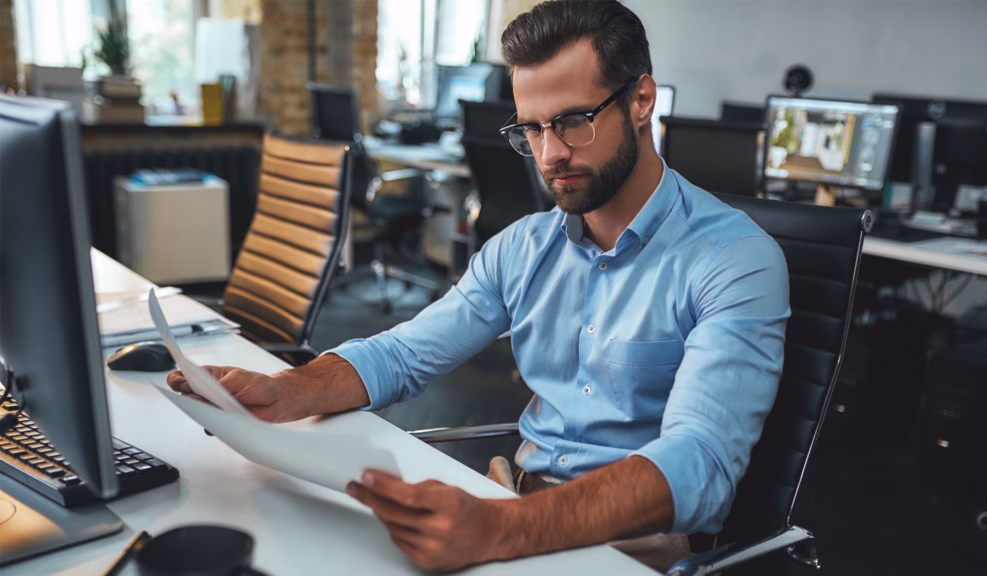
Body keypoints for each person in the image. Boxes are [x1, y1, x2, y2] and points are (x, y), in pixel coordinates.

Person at [169, 0, 790, 572]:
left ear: (641, 101)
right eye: (532, 129)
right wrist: (287, 391)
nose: (549, 155)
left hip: (632, 544)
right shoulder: (523, 248)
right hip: (510, 506)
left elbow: (699, 467)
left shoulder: (734, 261)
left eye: (572, 122)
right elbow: (405, 354)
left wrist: (503, 528)